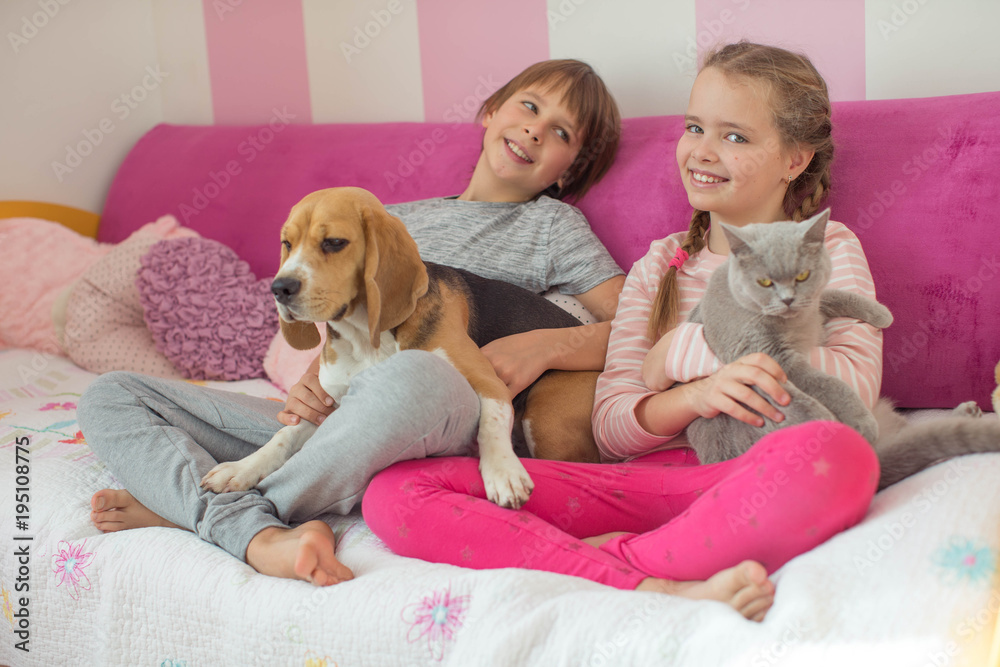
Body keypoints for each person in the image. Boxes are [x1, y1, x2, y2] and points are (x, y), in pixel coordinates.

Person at [360, 42, 882, 622]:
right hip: (646, 485)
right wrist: (696, 393)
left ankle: (613, 566)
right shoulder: (659, 265)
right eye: (694, 128)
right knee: (395, 492)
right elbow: (610, 430)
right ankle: (652, 577)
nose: (703, 151)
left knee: (841, 457)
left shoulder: (827, 249)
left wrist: (687, 350)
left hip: (755, 477)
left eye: (735, 136)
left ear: (795, 160)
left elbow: (855, 394)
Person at [79, 59, 625, 587]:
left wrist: (546, 347)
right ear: (491, 111)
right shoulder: (383, 216)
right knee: (112, 394)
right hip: (343, 418)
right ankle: (247, 512)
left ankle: (216, 517)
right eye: (528, 106)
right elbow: (348, 317)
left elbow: (639, 331)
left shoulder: (552, 226)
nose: (534, 129)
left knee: (412, 374)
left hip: (452, 410)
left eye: (560, 132)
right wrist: (314, 379)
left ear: (570, 168)